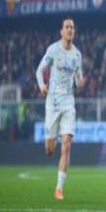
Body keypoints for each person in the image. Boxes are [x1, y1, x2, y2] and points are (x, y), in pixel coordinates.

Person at [36, 17, 85, 200]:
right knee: (50, 150)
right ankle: (51, 140)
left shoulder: (77, 55)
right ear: (61, 31)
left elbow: (78, 80)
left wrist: (80, 82)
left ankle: (59, 188)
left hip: (68, 103)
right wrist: (42, 85)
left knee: (66, 145)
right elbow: (39, 70)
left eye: (72, 27)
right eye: (67, 27)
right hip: (52, 103)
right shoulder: (53, 50)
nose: (70, 29)